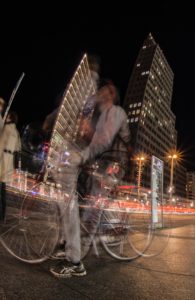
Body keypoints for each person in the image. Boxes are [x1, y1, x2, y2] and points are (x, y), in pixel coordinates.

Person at [50, 80, 131, 278]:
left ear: (112, 95)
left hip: (113, 163)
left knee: (94, 208)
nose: (100, 93)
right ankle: (70, 245)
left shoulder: (116, 112)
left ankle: (76, 261)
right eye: (100, 90)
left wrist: (83, 155)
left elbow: (102, 141)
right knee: (84, 201)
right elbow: (94, 140)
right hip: (101, 162)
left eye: (105, 91)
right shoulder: (100, 114)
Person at [0, 112, 21, 183]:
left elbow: (1, 143)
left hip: (3, 156)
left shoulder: (6, 128)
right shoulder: (16, 132)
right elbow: (17, 148)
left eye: (7, 117)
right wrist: (16, 166)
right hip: (10, 158)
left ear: (10, 118)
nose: (6, 118)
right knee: (4, 181)